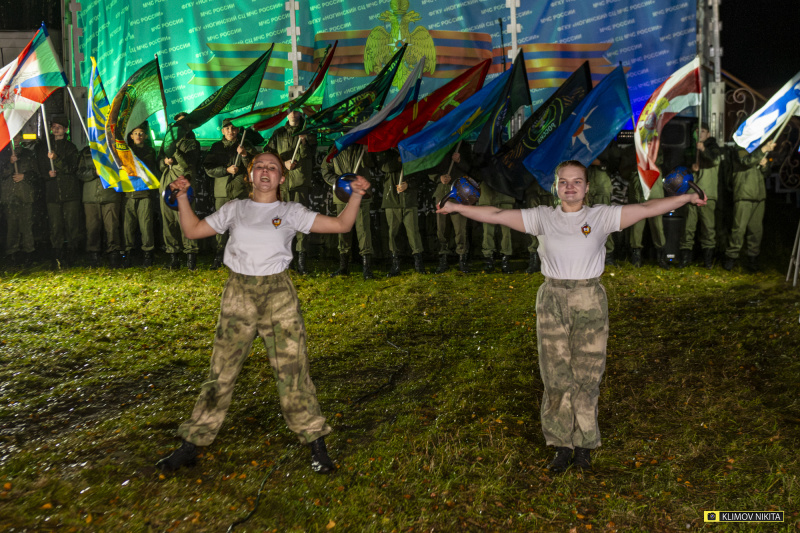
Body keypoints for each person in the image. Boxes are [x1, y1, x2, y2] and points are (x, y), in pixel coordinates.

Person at [436, 160, 707, 472]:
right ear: (556, 186)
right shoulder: (542, 218)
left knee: (587, 376)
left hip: (589, 298)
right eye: (563, 181)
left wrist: (686, 198)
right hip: (552, 298)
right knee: (555, 376)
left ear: (587, 187)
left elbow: (646, 209)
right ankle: (561, 446)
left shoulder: (601, 217)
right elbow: (496, 215)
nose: (570, 187)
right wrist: (457, 208)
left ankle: (584, 446)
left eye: (577, 181)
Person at [156, 149, 371, 475]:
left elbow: (342, 225)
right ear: (250, 176)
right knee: (221, 371)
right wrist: (182, 198)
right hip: (238, 294)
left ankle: (316, 443)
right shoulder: (235, 208)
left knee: (294, 371)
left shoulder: (290, 211)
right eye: (259, 167)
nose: (266, 172)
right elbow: (193, 231)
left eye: (272, 167)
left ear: (282, 177)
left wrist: (355, 195)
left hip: (278, 295)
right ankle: (192, 443)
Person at [267, 107, 317, 274]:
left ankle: (301, 261)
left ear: (301, 113)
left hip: (300, 183)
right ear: (286, 114)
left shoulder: (309, 131)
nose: (293, 114)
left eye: (296, 111)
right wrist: (283, 163)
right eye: (290, 111)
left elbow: (311, 155)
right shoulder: (278, 133)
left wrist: (303, 142)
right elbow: (268, 154)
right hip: (283, 183)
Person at [203, 118, 256, 269]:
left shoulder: (246, 145)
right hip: (221, 192)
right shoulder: (216, 147)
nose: (230, 131)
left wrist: (245, 155)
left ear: (238, 130)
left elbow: (255, 166)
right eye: (227, 129)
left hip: (240, 192)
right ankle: (219, 256)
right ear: (222, 131)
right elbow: (208, 168)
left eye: (233, 128)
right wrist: (225, 170)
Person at [322, 144, 375, 279]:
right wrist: (340, 183)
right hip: (342, 197)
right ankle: (343, 267)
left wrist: (367, 152)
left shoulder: (361, 146)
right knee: (343, 230)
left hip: (361, 195)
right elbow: (325, 170)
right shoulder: (334, 149)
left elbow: (372, 164)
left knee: (364, 230)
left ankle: (367, 269)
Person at [36, 115, 81, 267]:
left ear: (66, 130)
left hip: (70, 193)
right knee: (55, 226)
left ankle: (72, 253)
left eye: (59, 127)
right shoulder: (45, 148)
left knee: (71, 225)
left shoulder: (70, 147)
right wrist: (47, 175)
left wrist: (56, 159)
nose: (56, 129)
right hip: (53, 193)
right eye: (54, 126)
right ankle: (57, 253)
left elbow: (72, 168)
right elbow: (40, 170)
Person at [723, 141, 775, 272]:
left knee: (756, 230)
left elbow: (767, 174)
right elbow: (746, 161)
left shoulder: (757, 149)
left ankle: (753, 259)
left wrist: (764, 166)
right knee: (738, 229)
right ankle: (731, 257)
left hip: (758, 195)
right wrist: (762, 150)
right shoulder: (740, 149)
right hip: (744, 194)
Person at [159, 113, 201, 270]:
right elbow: (159, 164)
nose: (180, 126)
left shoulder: (192, 143)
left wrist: (174, 151)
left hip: (183, 187)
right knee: (168, 222)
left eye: (183, 123)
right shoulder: (166, 143)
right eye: (177, 123)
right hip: (166, 185)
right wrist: (164, 161)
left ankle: (191, 257)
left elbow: (188, 164)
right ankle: (173, 258)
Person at [679, 123, 722, 269]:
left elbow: (715, 160)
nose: (699, 133)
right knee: (688, 228)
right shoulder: (690, 150)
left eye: (702, 131)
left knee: (708, 228)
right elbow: (682, 171)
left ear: (708, 134)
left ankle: (708, 261)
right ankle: (685, 260)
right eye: (697, 131)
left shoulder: (714, 148)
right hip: (691, 194)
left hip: (707, 193)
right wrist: (690, 167)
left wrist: (703, 149)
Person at [378, 148, 426, 276]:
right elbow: (384, 167)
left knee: (413, 232)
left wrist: (408, 184)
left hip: (409, 200)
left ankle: (418, 264)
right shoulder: (387, 152)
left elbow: (421, 175)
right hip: (392, 200)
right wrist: (398, 159)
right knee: (393, 233)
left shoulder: (413, 151)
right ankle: (395, 264)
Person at [78, 146, 123, 267]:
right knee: (92, 227)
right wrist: (94, 172)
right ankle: (94, 254)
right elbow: (79, 173)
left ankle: (113, 253)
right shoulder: (86, 152)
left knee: (112, 226)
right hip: (90, 196)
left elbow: (122, 170)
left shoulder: (114, 149)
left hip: (111, 194)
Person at [431, 148, 471, 274]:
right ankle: (443, 258)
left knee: (460, 228)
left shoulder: (462, 146)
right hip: (442, 193)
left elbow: (471, 168)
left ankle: (462, 258)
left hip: (459, 193)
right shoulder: (439, 145)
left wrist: (459, 161)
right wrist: (439, 178)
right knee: (442, 228)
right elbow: (429, 168)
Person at [1, 134, 39, 266]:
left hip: (25, 195)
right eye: (13, 138)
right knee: (12, 226)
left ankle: (29, 251)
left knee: (26, 225)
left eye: (17, 137)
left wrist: (25, 176)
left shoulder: (28, 154)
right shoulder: (3, 154)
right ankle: (12, 252)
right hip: (9, 196)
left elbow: (36, 174)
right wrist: (9, 163)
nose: (15, 140)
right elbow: (2, 173)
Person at [123, 125, 157, 267]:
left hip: (144, 193)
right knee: (128, 226)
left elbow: (145, 165)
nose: (138, 136)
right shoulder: (126, 151)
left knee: (146, 225)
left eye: (141, 133)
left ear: (146, 136)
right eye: (135, 133)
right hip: (129, 193)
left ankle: (148, 254)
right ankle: (128, 254)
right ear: (131, 136)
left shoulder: (149, 151)